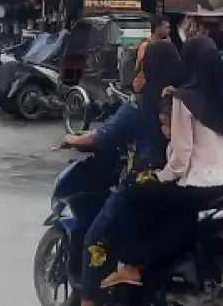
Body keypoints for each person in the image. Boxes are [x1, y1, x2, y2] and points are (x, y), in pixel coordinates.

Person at [103, 36, 223, 289]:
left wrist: (161, 176)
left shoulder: (184, 99)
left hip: (202, 188)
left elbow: (181, 159)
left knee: (135, 190)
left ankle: (134, 266)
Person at [60, 40, 183, 306]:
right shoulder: (182, 97)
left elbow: (105, 136)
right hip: (180, 186)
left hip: (143, 186)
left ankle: (89, 301)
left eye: (143, 62)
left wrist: (73, 139)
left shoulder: (141, 103)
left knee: (94, 240)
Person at [131, 15, 171, 92]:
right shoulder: (146, 46)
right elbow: (140, 67)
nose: (169, 30)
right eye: (166, 27)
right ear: (157, 28)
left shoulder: (167, 45)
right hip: (149, 88)